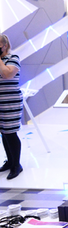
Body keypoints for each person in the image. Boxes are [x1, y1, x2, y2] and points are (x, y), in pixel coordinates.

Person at [0, 34, 23, 180]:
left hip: (11, 102)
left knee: (10, 132)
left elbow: (8, 74)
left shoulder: (13, 58)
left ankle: (17, 165)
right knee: (3, 132)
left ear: (5, 45)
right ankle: (10, 161)